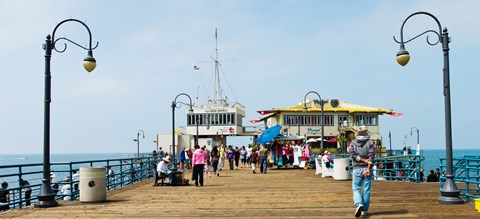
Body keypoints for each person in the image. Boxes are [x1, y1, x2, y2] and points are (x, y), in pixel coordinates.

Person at [349, 125, 375, 217]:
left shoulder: (353, 143)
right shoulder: (370, 143)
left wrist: (361, 160)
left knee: (356, 189)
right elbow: (371, 157)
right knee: (366, 190)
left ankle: (358, 204)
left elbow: (353, 155)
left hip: (356, 168)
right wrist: (368, 168)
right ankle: (365, 210)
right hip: (367, 168)